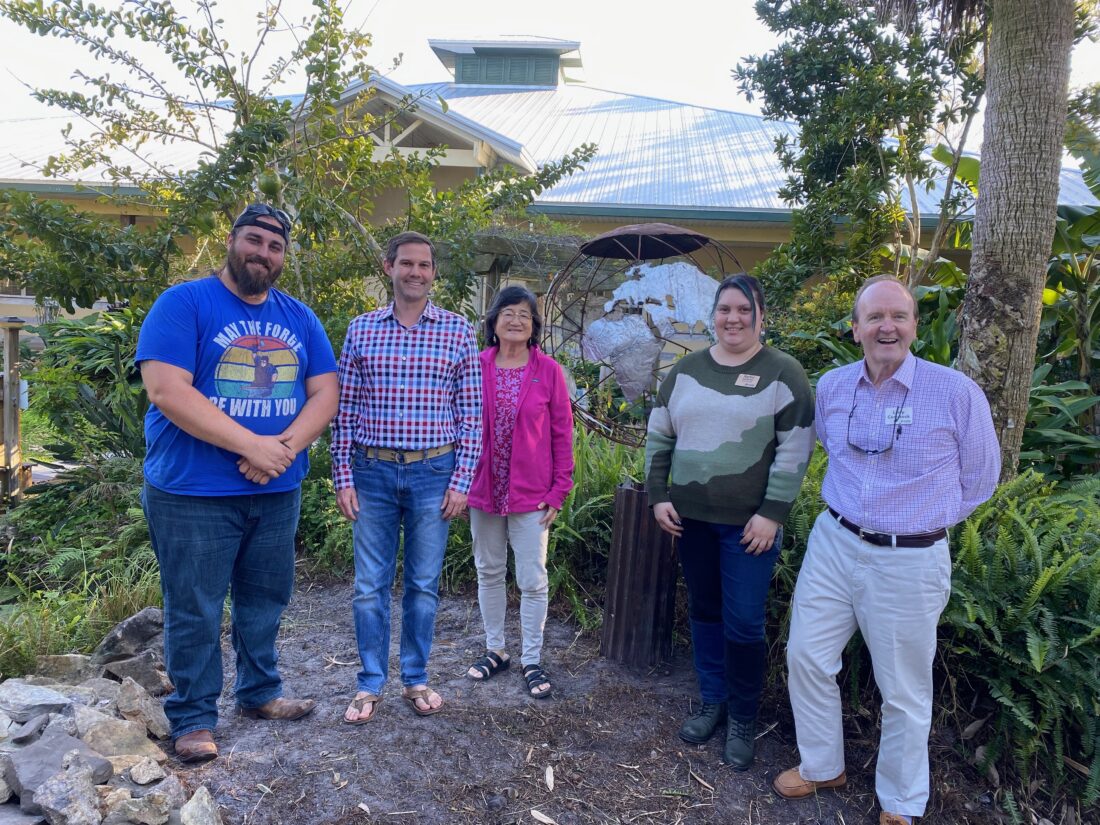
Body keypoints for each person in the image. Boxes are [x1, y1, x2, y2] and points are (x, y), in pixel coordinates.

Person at [774, 275, 1000, 825]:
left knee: (902, 688)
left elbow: (981, 479)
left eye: (898, 316)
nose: (887, 327)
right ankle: (822, 765)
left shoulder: (955, 393)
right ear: (855, 329)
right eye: (874, 317)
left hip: (909, 560)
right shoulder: (833, 387)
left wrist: (920, 523)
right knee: (806, 655)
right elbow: (821, 449)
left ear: (915, 326)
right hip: (834, 542)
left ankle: (900, 800)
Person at [138, 203, 339, 763]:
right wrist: (251, 445)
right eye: (254, 240)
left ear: (283, 256)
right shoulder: (184, 303)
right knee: (195, 607)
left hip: (275, 491)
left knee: (265, 599)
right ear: (231, 241)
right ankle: (193, 717)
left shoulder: (300, 318)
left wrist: (281, 449)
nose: (263, 253)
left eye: (275, 247)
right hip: (192, 492)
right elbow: (166, 390)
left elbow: (326, 392)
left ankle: (259, 693)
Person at [645, 274, 815, 769]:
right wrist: (658, 496)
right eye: (725, 309)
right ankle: (712, 701)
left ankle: (743, 716)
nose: (733, 318)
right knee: (704, 612)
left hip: (749, 529)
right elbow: (659, 436)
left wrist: (771, 514)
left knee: (743, 621)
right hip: (690, 520)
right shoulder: (685, 371)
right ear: (713, 315)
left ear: (761, 316)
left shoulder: (783, 373)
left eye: (744, 309)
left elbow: (796, 450)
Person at [332, 231, 482, 724]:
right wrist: (342, 475)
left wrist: (461, 480)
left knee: (422, 584)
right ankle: (369, 682)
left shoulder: (457, 330)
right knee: (368, 585)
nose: (416, 272)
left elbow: (471, 414)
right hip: (371, 471)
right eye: (407, 263)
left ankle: (415, 677)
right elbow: (345, 408)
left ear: (433, 273)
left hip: (434, 472)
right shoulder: (361, 329)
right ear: (389, 267)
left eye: (424, 265)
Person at [464, 286, 574, 699]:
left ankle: (531, 659)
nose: (515, 320)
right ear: (493, 321)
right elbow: (459, 424)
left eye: (525, 315)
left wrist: (559, 489)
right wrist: (460, 483)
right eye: (508, 312)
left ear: (534, 326)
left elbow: (562, 434)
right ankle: (496, 650)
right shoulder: (475, 366)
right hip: (483, 490)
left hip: (533, 495)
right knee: (489, 571)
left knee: (532, 578)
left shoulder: (548, 371)